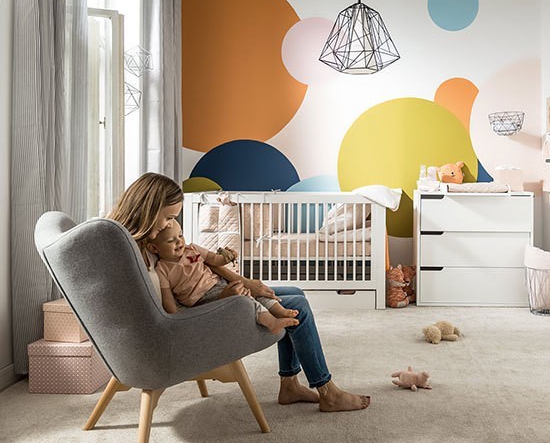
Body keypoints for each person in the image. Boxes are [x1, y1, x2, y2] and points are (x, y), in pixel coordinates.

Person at [108, 172, 370, 412]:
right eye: (167, 218)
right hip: (200, 313)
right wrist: (229, 296)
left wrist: (248, 283)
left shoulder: (140, 243)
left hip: (206, 299)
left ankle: (290, 383)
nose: (169, 226)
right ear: (149, 211)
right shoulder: (139, 250)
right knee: (297, 306)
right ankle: (327, 391)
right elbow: (172, 309)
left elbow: (209, 264)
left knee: (294, 291)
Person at [147, 221, 300, 335]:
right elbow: (168, 301)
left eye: (180, 235)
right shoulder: (162, 270)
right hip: (201, 299)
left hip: (219, 283)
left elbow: (214, 260)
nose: (179, 241)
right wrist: (177, 320)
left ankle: (280, 311)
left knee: (252, 292)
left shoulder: (192, 249)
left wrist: (227, 257)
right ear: (154, 248)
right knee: (245, 299)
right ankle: (271, 322)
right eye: (170, 240)